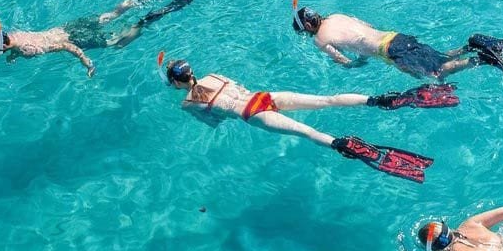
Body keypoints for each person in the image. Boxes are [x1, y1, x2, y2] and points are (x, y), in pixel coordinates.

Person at [160, 55, 459, 182]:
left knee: (308, 132)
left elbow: (215, 122)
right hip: (265, 96)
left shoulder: (187, 104)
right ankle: (378, 100)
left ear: (175, 83)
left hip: (252, 114)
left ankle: (346, 144)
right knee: (325, 100)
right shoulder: (214, 74)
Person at [291, 0, 503, 99]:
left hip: (391, 53)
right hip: (396, 37)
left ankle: (481, 59)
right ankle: (469, 45)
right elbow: (365, 26)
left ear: (306, 29)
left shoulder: (319, 40)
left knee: (436, 74)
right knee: (441, 58)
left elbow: (343, 61)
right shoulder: (336, 16)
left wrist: (359, 63)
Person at [0, 0, 205, 77]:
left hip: (76, 38)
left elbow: (65, 46)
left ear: (2, 45)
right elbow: (16, 45)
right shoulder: (16, 35)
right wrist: (12, 55)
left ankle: (169, 7)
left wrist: (86, 62)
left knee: (120, 41)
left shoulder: (28, 49)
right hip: (69, 26)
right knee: (114, 13)